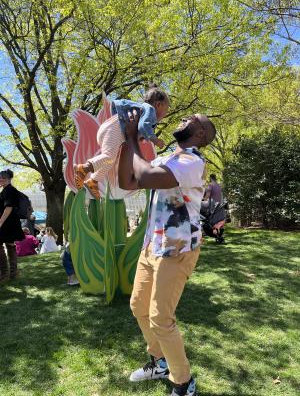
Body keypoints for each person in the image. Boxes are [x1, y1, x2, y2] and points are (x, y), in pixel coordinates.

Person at [118, 112, 216, 396]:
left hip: (177, 249)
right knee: (139, 306)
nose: (185, 117)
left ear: (200, 134)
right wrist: (129, 141)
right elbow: (128, 180)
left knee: (161, 318)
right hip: (153, 246)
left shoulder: (192, 161)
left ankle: (184, 383)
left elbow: (146, 176)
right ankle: (161, 362)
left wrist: (133, 138)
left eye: (194, 119)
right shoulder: (166, 159)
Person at [74, 84, 170, 199]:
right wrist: (154, 139)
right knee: (109, 157)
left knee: (110, 160)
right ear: (158, 105)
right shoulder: (150, 110)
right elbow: (144, 126)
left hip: (112, 129)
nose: (165, 114)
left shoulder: (143, 110)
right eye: (166, 110)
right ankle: (84, 168)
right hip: (114, 128)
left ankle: (93, 181)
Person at [0, 169, 25, 281]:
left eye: (3, 178)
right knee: (10, 245)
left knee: (9, 245)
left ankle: (7, 274)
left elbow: (8, 208)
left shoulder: (9, 190)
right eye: (0, 178)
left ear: (9, 179)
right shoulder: (5, 190)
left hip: (7, 223)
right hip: (7, 222)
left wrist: (0, 223)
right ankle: (11, 273)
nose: (1, 180)